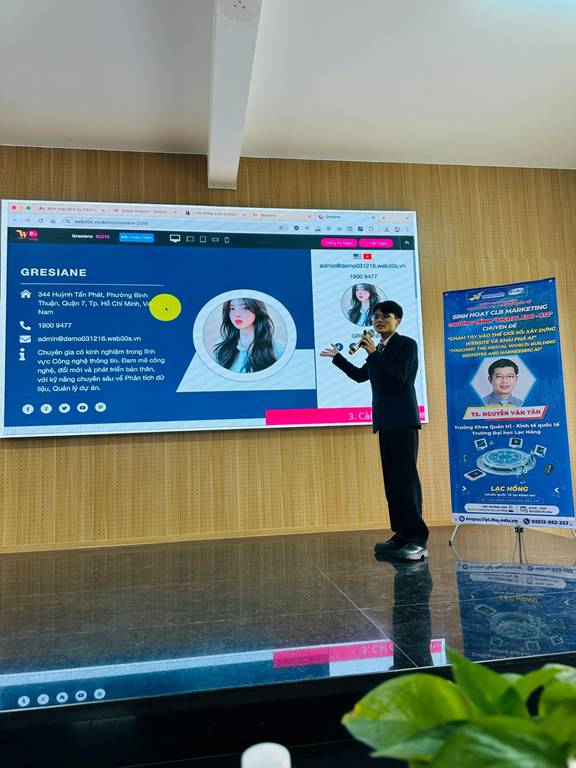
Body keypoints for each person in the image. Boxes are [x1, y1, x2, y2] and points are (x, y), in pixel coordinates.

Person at [320, 300, 428, 561]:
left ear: (398, 320)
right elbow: (360, 376)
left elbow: (398, 379)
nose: (378, 320)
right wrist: (338, 358)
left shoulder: (406, 345)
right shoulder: (379, 348)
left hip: (403, 421)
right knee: (392, 483)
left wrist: (373, 353)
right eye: (376, 316)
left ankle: (417, 539)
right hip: (385, 422)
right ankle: (402, 534)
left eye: (385, 316)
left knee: (405, 482)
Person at [213, 298, 285, 373]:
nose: (237, 314)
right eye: (232, 308)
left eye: (244, 308)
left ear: (257, 309)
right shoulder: (220, 347)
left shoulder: (279, 349)